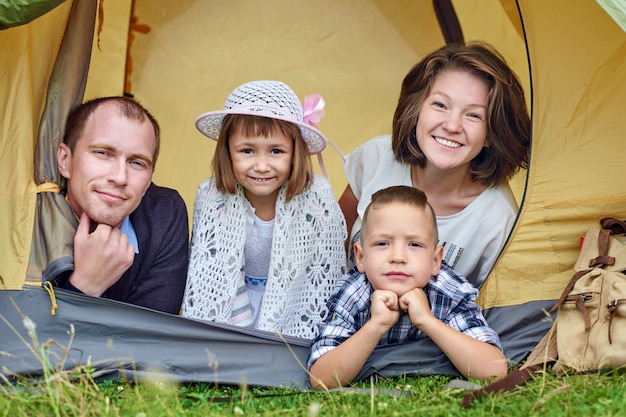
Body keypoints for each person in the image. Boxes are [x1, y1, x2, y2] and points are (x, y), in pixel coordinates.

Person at [339, 42, 530, 288]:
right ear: (416, 109)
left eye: (473, 115)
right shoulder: (375, 158)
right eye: (440, 105)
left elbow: (487, 318)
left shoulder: (497, 221)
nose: (452, 126)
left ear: (492, 134)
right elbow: (328, 251)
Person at [181, 80, 347, 339]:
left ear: (295, 153)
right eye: (247, 150)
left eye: (276, 151)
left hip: (293, 304)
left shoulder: (316, 198)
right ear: (227, 152)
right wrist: (239, 333)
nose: (261, 165)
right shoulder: (211, 196)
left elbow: (322, 275)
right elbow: (210, 272)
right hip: (231, 308)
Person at [308, 186, 506, 389]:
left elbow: (495, 372)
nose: (398, 257)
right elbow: (321, 380)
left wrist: (427, 321)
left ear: (436, 260)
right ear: (360, 257)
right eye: (382, 243)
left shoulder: (448, 292)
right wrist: (375, 326)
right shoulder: (352, 294)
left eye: (414, 245)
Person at [50, 96, 189, 314]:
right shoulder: (30, 215)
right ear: (65, 160)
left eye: (137, 163)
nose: (120, 177)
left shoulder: (164, 213)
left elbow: (149, 339)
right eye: (103, 153)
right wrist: (84, 286)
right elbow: (22, 338)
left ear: (149, 180)